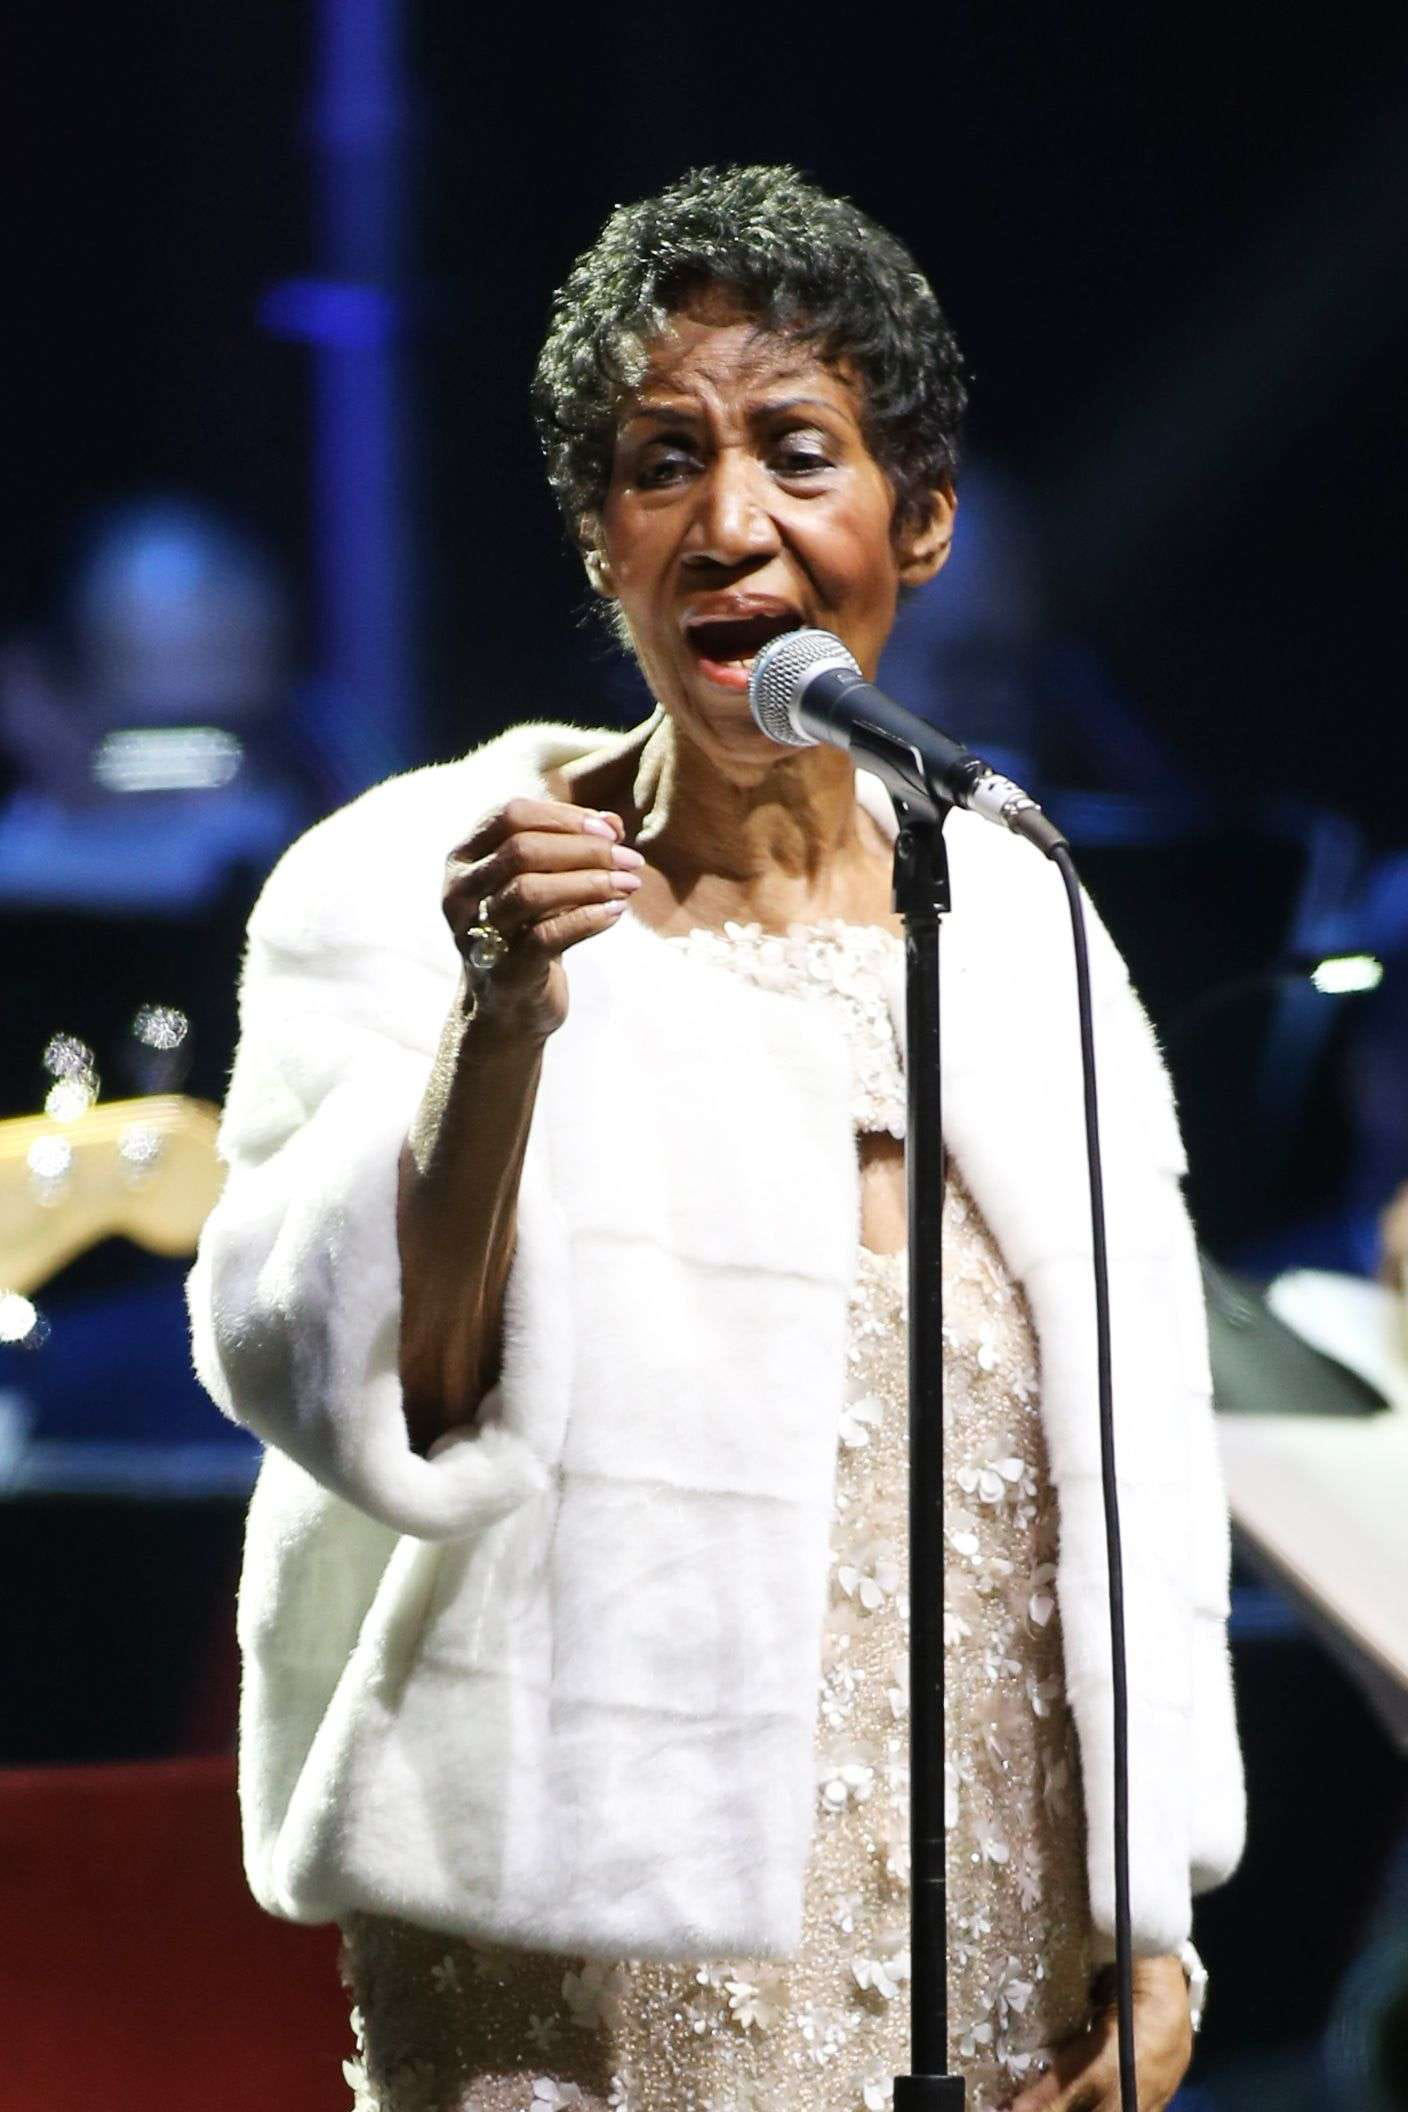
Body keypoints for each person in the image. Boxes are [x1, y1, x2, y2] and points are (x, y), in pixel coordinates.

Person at [187, 167, 1245, 2112]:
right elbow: (368, 1395)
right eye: (661, 461)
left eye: (796, 452)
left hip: (986, 1937)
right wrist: (498, 1017)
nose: (730, 523)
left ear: (917, 520)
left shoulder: (1015, 916)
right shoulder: (419, 892)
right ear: (601, 538)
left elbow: (1136, 1466)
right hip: (583, 1978)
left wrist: (1149, 1910)